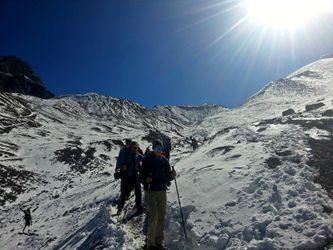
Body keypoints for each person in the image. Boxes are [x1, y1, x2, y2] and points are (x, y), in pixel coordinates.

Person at [140, 139, 176, 250]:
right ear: (153, 148)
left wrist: (172, 175)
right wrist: (146, 179)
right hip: (150, 191)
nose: (158, 151)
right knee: (153, 216)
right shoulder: (147, 160)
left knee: (161, 216)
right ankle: (150, 243)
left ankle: (159, 241)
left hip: (162, 191)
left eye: (160, 149)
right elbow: (141, 176)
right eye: (156, 148)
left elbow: (168, 177)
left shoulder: (164, 161)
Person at [115, 141, 144, 215]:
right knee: (123, 193)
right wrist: (122, 167)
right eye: (134, 148)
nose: (135, 149)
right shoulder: (125, 154)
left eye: (136, 148)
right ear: (131, 147)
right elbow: (119, 164)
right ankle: (120, 209)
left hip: (134, 175)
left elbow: (144, 159)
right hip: (126, 175)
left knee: (138, 191)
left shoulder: (137, 154)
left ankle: (139, 207)